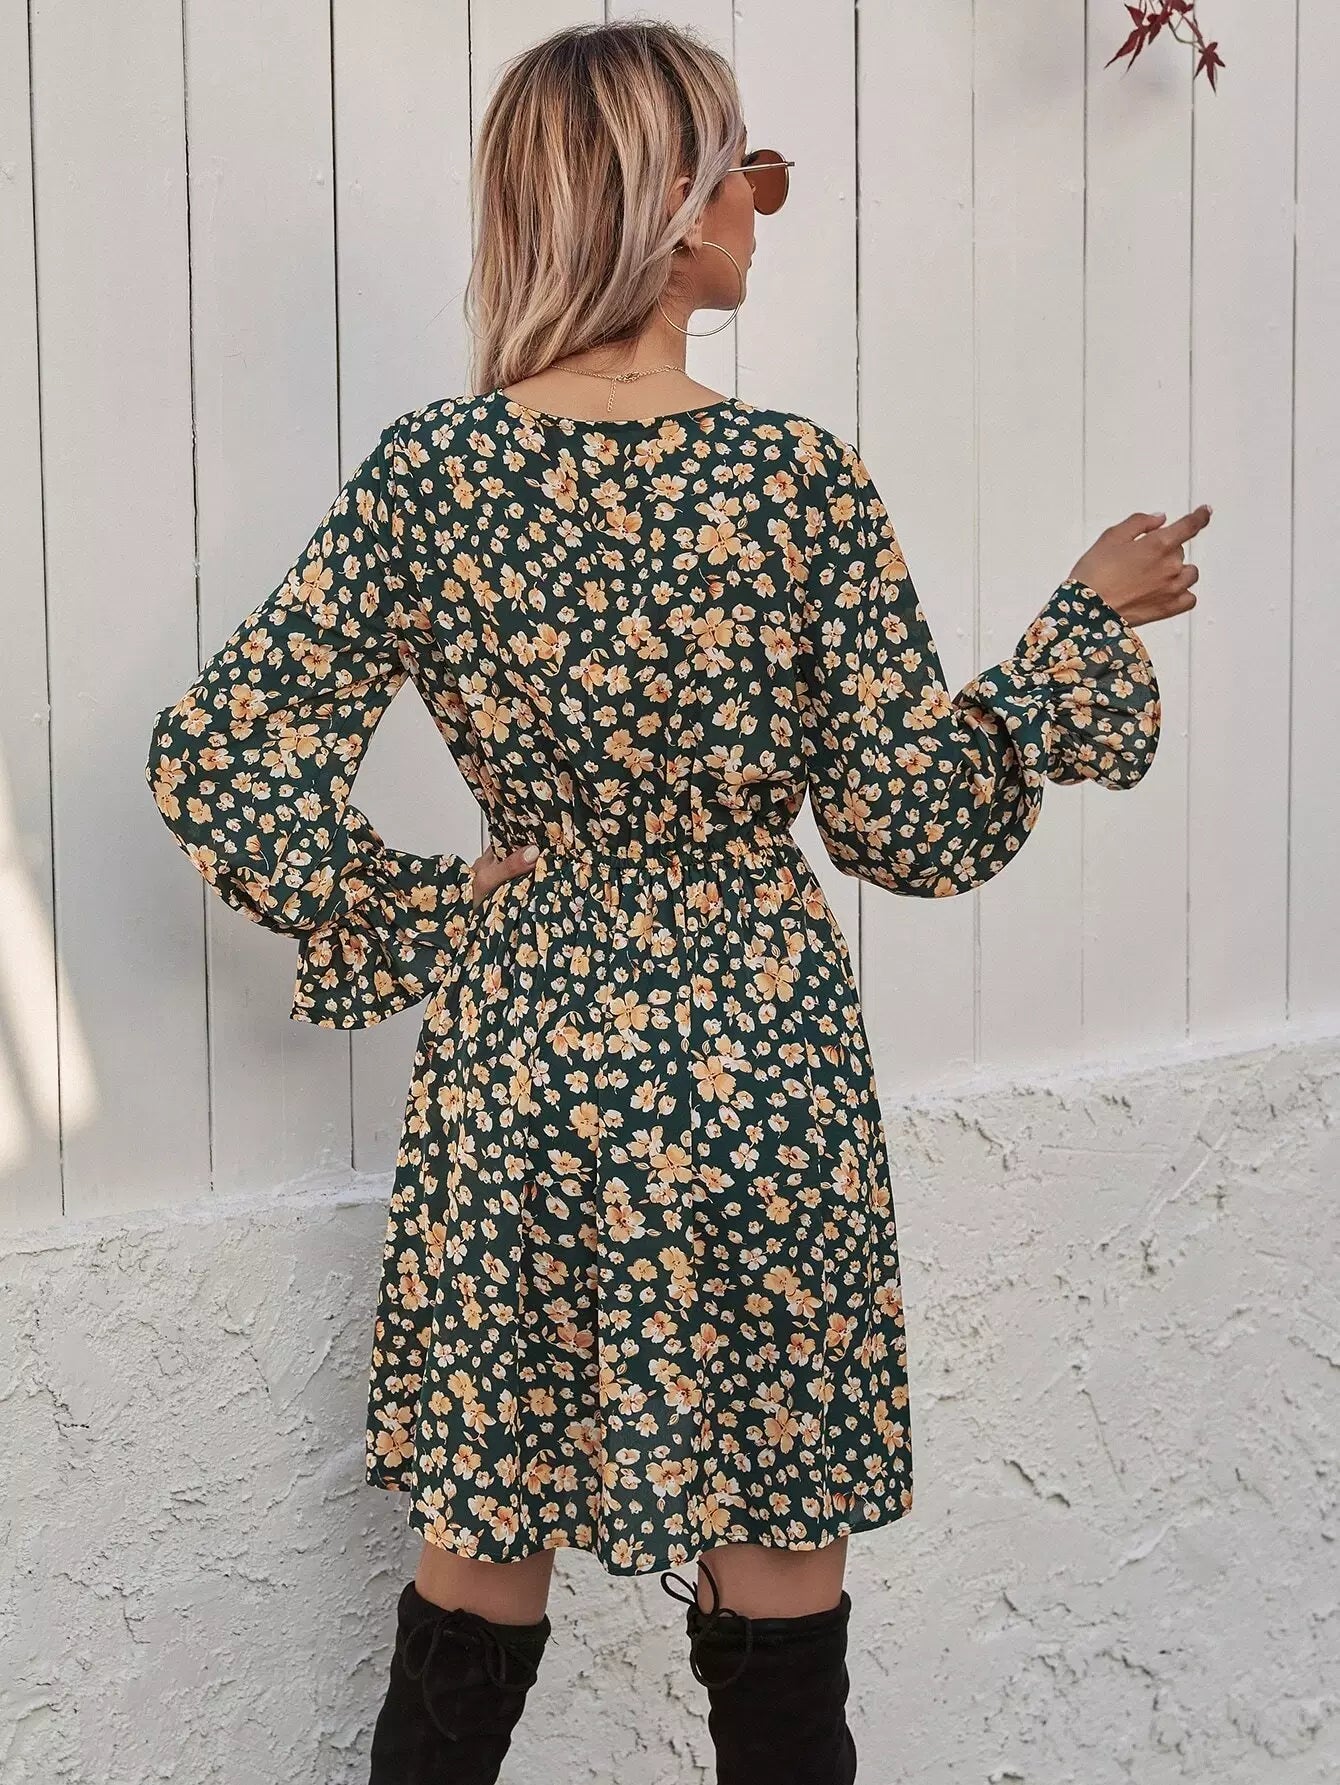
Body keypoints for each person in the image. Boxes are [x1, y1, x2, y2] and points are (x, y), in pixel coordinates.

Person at [144, 19, 1206, 1785]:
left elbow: (219, 756)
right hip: (760, 1062)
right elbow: (907, 820)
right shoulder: (795, 480)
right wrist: (1075, 635)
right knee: (782, 1608)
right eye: (748, 169)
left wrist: (435, 906)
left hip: (524, 1070)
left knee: (475, 1585)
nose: (763, 202)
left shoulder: (433, 477)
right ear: (671, 209)